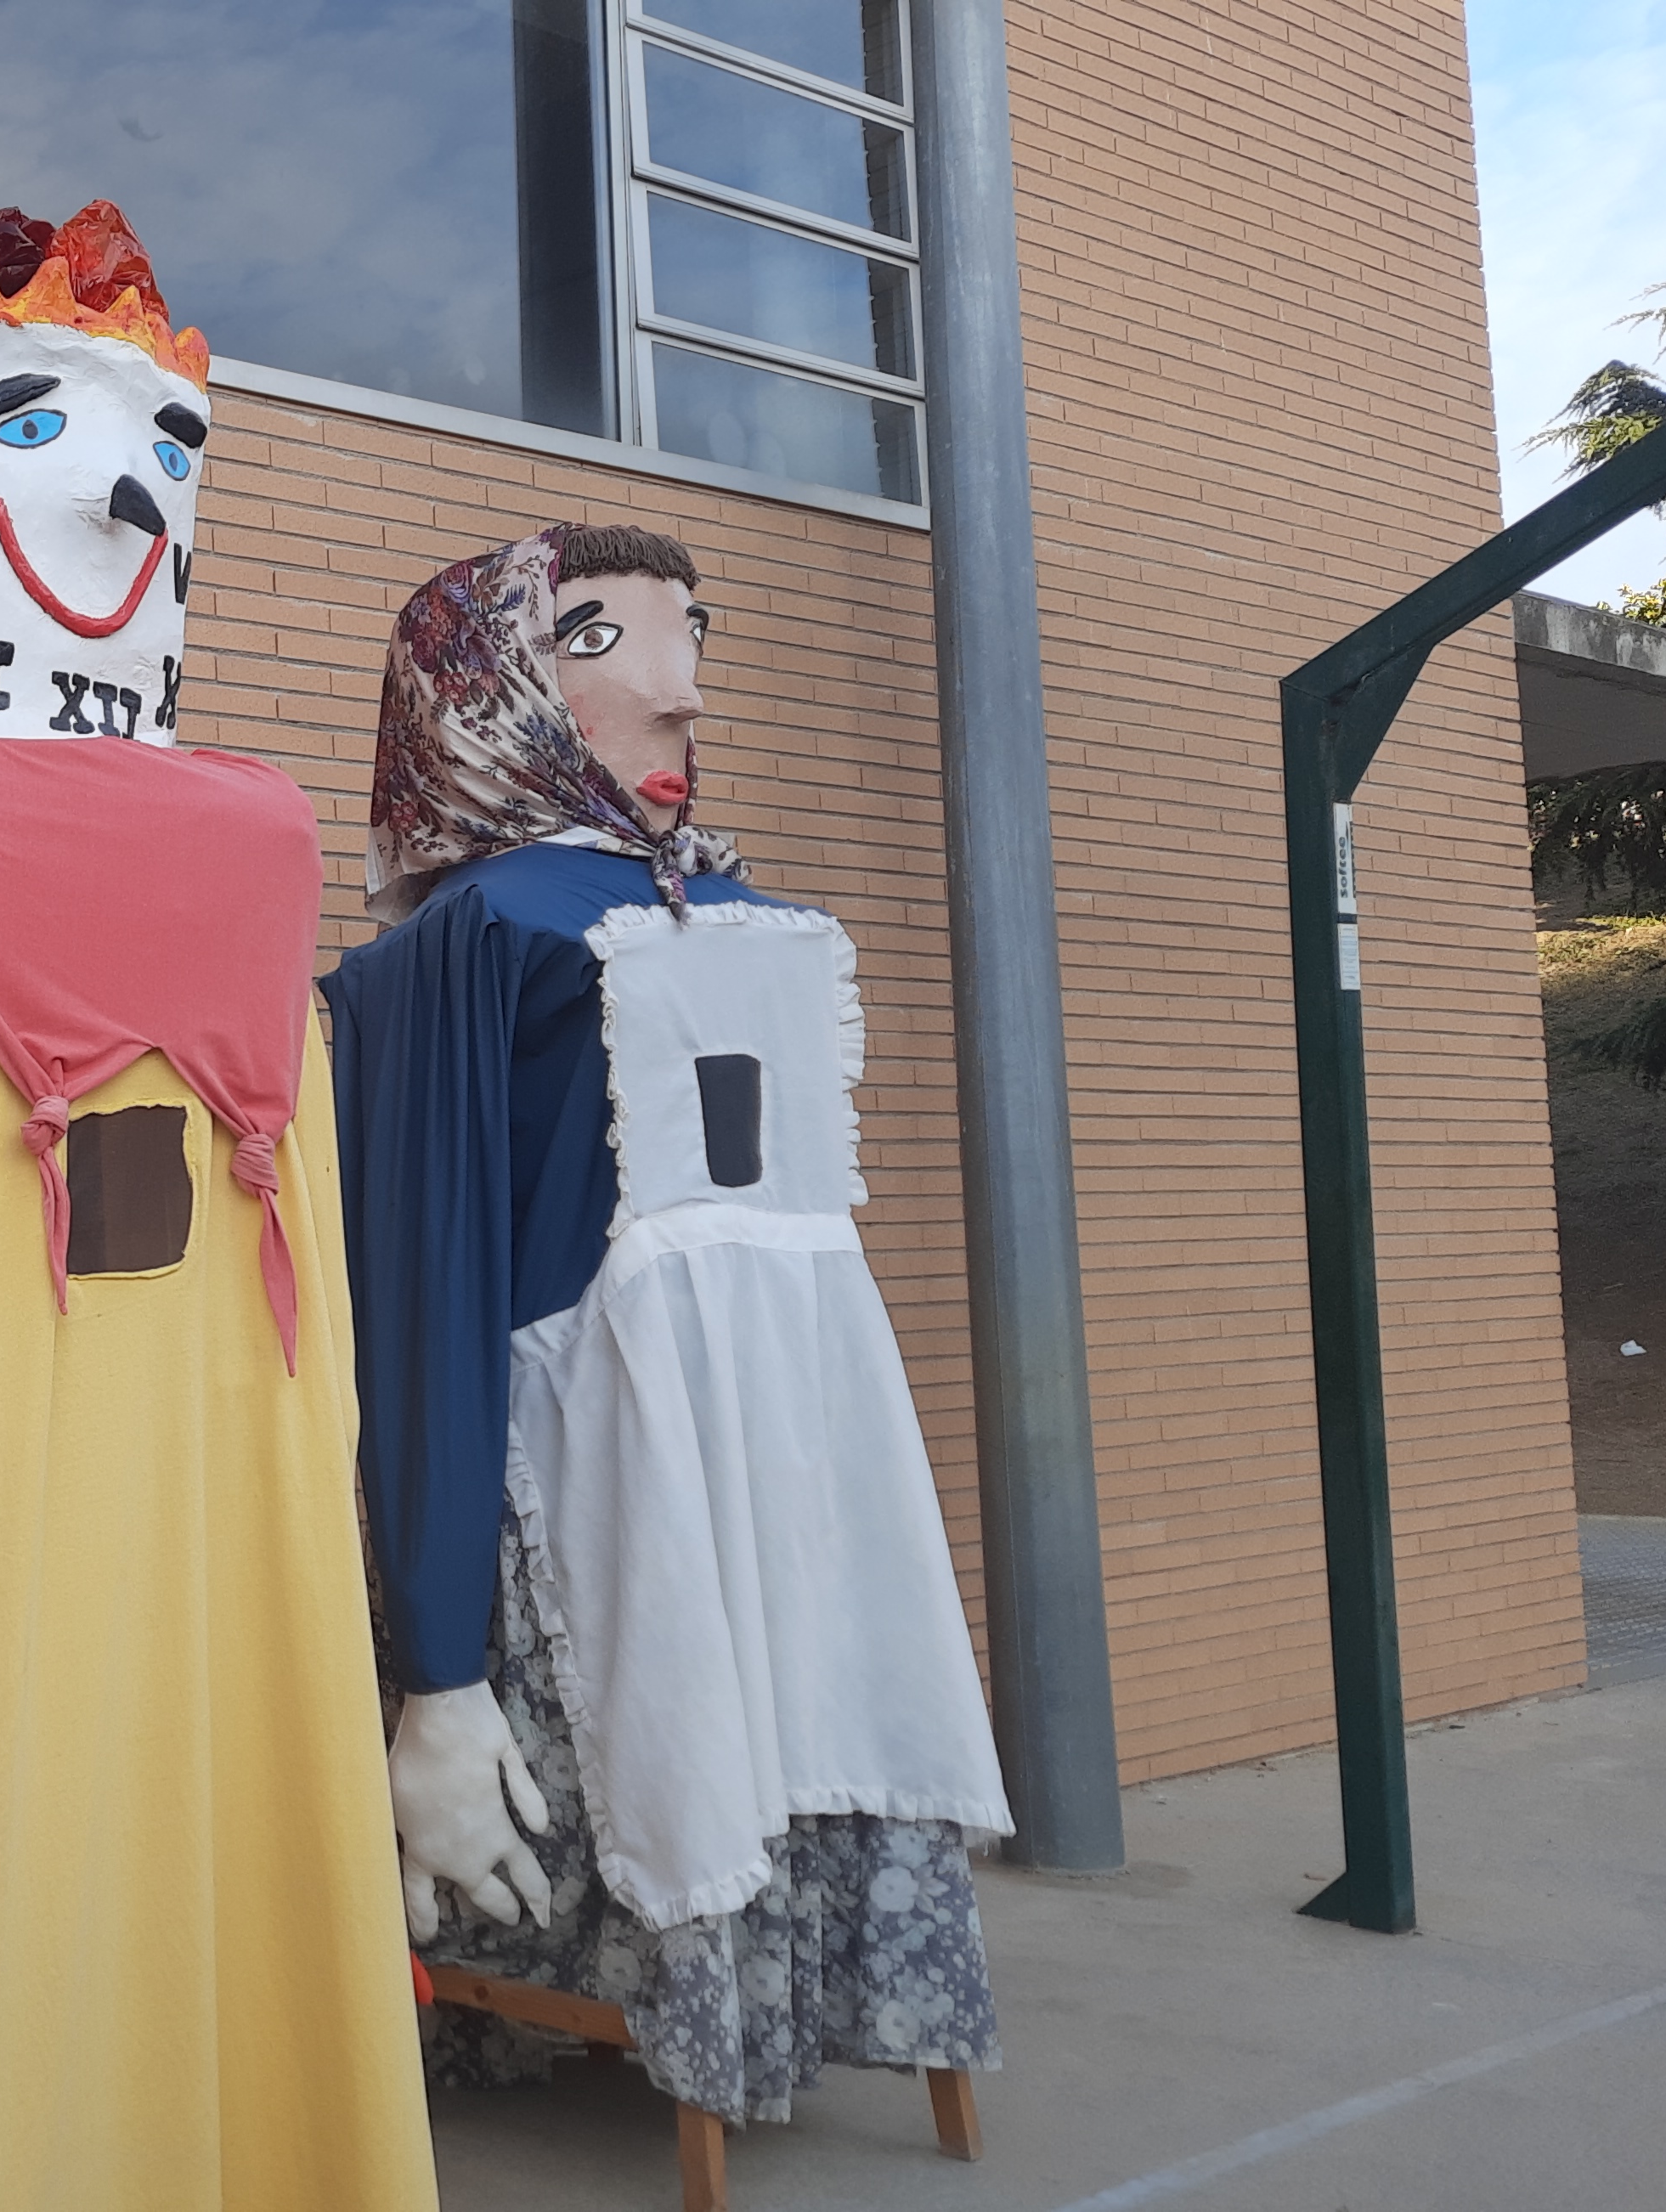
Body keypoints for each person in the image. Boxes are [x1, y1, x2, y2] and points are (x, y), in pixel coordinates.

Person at [0, 201, 440, 2212]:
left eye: (157, 452)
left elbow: (314, 1350)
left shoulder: (234, 842)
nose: (127, 489)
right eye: (25, 427)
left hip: (140, 1575)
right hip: (59, 1592)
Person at [325, 522, 1012, 2123]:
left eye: (688, 629)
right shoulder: (471, 946)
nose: (679, 687)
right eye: (597, 638)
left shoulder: (727, 911)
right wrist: (441, 1644)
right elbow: (419, 1271)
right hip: (598, 1444)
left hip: (791, 1448)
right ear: (480, 689)